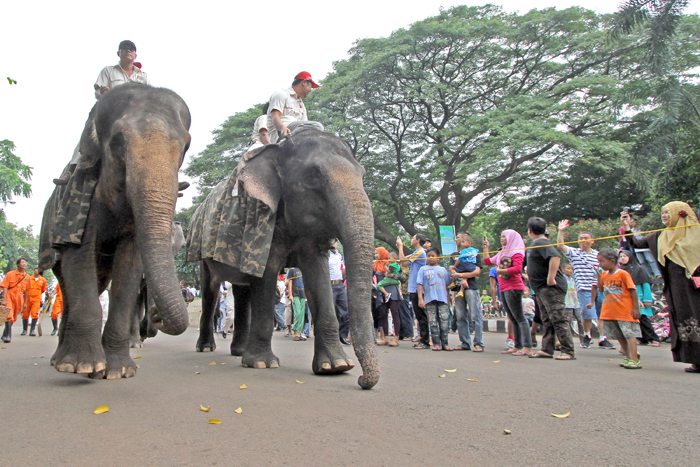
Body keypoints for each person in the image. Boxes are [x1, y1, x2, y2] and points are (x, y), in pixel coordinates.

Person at [54, 40, 150, 185]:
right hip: (110, 110)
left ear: (135, 54)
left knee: (156, 136)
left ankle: (163, 179)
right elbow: (98, 92)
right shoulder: (108, 70)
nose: (128, 51)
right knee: (88, 133)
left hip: (135, 115)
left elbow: (149, 98)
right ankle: (70, 171)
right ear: (119, 53)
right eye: (124, 49)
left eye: (131, 49)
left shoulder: (143, 75)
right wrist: (103, 93)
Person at [622, 202, 700, 373]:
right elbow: (636, 243)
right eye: (663, 213)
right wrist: (627, 227)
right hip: (676, 286)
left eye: (668, 213)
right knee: (685, 319)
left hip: (695, 285)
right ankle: (696, 360)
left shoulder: (697, 233)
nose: (664, 216)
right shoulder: (661, 236)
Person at [557, 220, 615, 349]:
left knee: (602, 314)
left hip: (600, 288)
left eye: (586, 238)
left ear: (592, 241)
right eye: (581, 238)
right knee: (587, 314)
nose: (583, 240)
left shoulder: (598, 255)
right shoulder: (575, 253)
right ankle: (587, 335)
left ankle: (602, 337)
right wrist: (561, 231)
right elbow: (561, 246)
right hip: (584, 288)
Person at [526, 217, 575, 360]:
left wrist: (551, 277)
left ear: (529, 231)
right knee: (546, 319)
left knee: (558, 319)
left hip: (550, 287)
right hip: (541, 288)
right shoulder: (537, 244)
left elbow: (555, 256)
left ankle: (568, 350)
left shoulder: (542, 242)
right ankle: (547, 349)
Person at [589, 248, 642, 369]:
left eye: (602, 261)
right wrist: (599, 275)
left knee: (630, 334)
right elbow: (601, 289)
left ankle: (634, 358)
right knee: (619, 334)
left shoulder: (623, 274)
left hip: (624, 310)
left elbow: (633, 290)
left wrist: (636, 308)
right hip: (611, 310)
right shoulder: (604, 274)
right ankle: (628, 357)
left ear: (612, 261)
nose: (600, 264)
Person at [450, 232, 485, 352]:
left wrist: (462, 275)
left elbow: (476, 272)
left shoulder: (474, 253)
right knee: (460, 316)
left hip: (471, 287)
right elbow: (452, 272)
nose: (457, 240)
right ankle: (465, 342)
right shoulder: (454, 255)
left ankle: (478, 342)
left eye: (459, 238)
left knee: (475, 315)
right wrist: (459, 277)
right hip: (458, 288)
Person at [618, 250, 660, 346]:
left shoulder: (639, 269)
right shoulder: (621, 271)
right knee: (635, 321)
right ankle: (642, 338)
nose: (622, 258)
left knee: (643, 319)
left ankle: (654, 338)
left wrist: (647, 299)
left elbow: (645, 284)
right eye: (621, 256)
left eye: (625, 256)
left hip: (640, 298)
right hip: (627, 300)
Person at [397, 234, 430, 349]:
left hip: (418, 287)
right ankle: (422, 337)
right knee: (418, 314)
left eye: (413, 238)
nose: (411, 240)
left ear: (418, 240)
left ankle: (425, 340)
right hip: (413, 287)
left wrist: (400, 247)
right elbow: (404, 262)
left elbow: (403, 260)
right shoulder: (417, 252)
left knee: (421, 315)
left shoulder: (420, 252)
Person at [267, 71, 320, 144]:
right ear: (304, 82)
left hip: (297, 131)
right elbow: (275, 116)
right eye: (310, 86)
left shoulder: (301, 104)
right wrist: (283, 129)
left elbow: (305, 123)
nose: (310, 90)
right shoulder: (282, 94)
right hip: (282, 132)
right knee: (317, 126)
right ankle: (285, 141)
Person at [417, 247, 452, 351]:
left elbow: (447, 285)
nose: (431, 258)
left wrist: (448, 300)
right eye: (429, 256)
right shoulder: (423, 269)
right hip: (429, 299)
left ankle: (445, 343)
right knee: (433, 321)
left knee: (444, 320)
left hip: (442, 299)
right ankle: (436, 343)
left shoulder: (443, 270)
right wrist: (420, 298)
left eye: (433, 256)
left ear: (438, 258)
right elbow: (420, 284)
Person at [1, 258, 30, 343]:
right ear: (18, 264)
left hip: (19, 297)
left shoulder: (27, 277)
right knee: (9, 315)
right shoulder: (10, 274)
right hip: (9, 295)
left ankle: (4, 334)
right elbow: (5, 287)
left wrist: (25, 303)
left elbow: (27, 290)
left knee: (14, 317)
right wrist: (4, 299)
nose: (24, 264)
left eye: (25, 262)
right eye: (22, 262)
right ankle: (8, 336)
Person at [328, 239, 350, 345]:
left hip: (340, 285)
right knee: (331, 312)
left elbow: (343, 270)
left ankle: (343, 335)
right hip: (330, 285)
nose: (333, 243)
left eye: (335, 241)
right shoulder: (326, 255)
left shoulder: (339, 255)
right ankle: (331, 336)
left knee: (345, 311)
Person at [563, 263, 584, 344]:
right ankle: (568, 339)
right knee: (567, 321)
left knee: (580, 320)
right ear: (563, 270)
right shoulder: (562, 280)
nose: (571, 270)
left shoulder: (574, 279)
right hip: (567, 303)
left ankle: (583, 338)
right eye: (568, 268)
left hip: (576, 303)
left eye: (572, 268)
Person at [24, 267, 47, 337]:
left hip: (36, 299)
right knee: (25, 314)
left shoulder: (43, 280)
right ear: (33, 270)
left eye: (39, 269)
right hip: (28, 298)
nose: (37, 270)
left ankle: (32, 330)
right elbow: (25, 288)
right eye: (36, 269)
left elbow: (43, 290)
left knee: (35, 314)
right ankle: (24, 330)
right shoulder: (29, 278)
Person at [286, 267, 307, 341]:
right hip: (295, 294)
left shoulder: (304, 269)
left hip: (303, 294)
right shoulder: (292, 270)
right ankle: (295, 331)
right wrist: (291, 295)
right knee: (297, 312)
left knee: (302, 314)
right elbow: (290, 282)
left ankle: (300, 332)